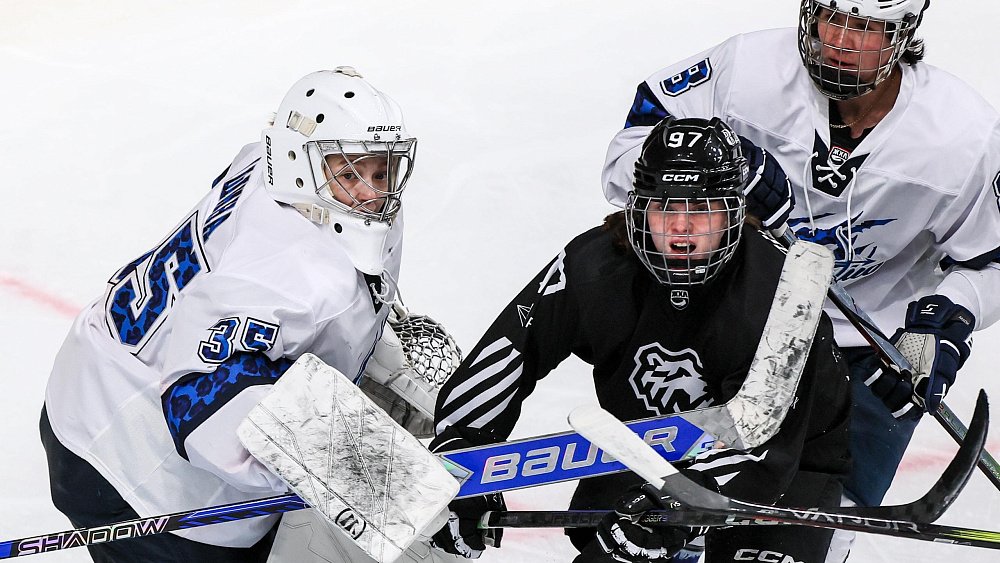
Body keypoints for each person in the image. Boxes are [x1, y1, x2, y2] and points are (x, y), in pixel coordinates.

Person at [602, 1, 1000, 558]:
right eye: (830, 16)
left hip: (865, 357)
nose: (840, 39)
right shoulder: (745, 71)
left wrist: (946, 320)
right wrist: (716, 169)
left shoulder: (964, 136)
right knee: (654, 529)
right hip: (723, 329)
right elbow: (624, 160)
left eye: (867, 28)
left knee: (807, 543)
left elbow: (989, 263)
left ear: (905, 31)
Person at [39, 67, 441, 562]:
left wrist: (356, 354)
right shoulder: (294, 274)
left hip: (100, 366)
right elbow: (201, 393)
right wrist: (388, 485)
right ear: (298, 163)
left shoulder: (265, 167)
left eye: (381, 171)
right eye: (350, 174)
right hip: (134, 469)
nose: (373, 194)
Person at [429, 116, 851, 563]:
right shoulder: (594, 264)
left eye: (701, 209)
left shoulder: (784, 292)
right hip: (643, 445)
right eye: (664, 207)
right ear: (638, 208)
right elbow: (512, 351)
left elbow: (764, 442)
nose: (681, 227)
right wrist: (463, 458)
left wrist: (683, 501)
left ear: (734, 212)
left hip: (785, 468)